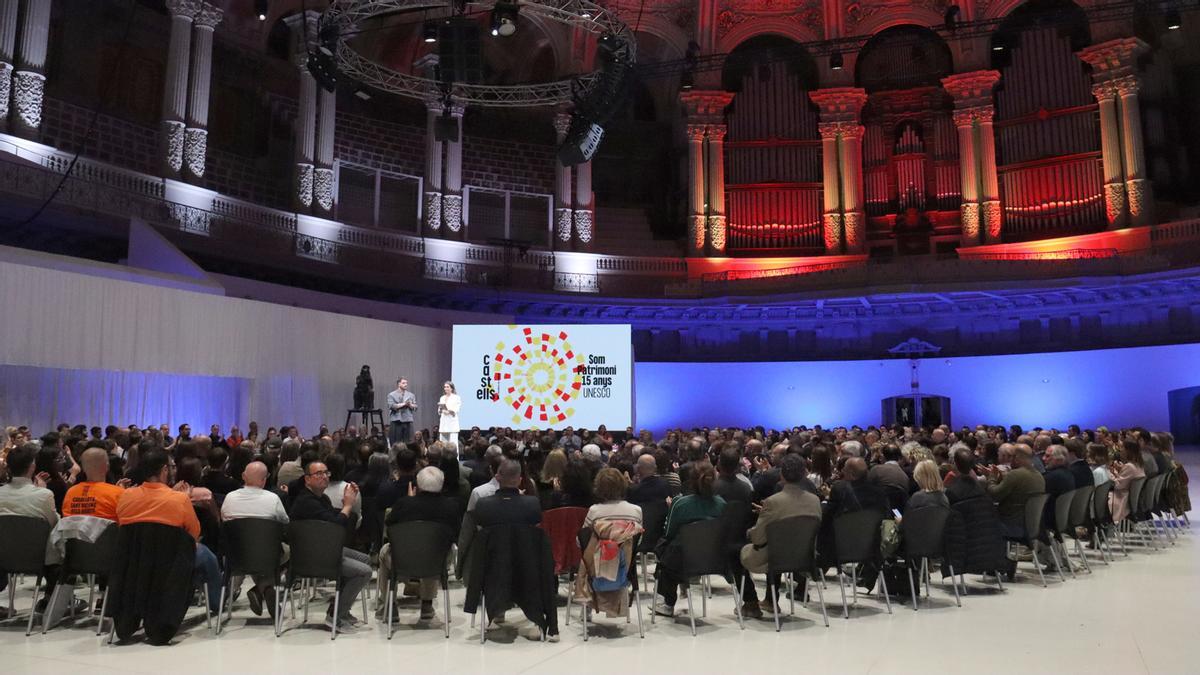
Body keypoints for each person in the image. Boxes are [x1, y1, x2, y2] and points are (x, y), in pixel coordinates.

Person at [115, 449, 222, 616]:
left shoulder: (125, 495)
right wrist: (184, 499)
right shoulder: (179, 499)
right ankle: (217, 603)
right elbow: (193, 534)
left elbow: (122, 524)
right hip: (169, 559)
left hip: (133, 559)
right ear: (164, 470)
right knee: (207, 556)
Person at [288, 460, 371, 632]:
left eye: (326, 473)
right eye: (318, 474)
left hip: (324, 549)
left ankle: (340, 608)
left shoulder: (321, 498)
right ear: (307, 479)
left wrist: (347, 500)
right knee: (364, 571)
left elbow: (334, 515)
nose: (324, 477)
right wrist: (348, 505)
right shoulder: (306, 502)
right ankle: (336, 617)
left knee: (365, 559)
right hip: (312, 557)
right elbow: (336, 526)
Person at [740, 454, 821, 619]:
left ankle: (754, 602)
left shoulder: (773, 502)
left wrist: (756, 524)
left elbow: (757, 537)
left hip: (775, 557)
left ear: (782, 475)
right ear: (805, 473)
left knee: (744, 549)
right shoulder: (815, 500)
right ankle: (769, 600)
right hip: (806, 557)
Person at [378, 466, 459, 621]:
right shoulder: (451, 507)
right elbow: (455, 534)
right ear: (441, 485)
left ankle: (389, 604)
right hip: (437, 562)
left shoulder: (404, 504)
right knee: (435, 548)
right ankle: (427, 604)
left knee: (384, 552)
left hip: (401, 560)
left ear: (418, 485)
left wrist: (409, 501)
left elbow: (389, 527)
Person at [654, 462, 726, 617]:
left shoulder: (680, 503)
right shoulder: (721, 504)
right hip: (715, 559)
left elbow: (669, 532)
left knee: (663, 548)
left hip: (683, 560)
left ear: (690, 482)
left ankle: (668, 602)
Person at [221, 461, 289, 620]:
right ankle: (261, 589)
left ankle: (262, 590)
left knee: (250, 551)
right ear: (264, 480)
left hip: (236, 558)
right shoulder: (273, 499)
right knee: (291, 551)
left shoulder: (229, 498)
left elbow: (224, 521)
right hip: (267, 556)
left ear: (244, 477)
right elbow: (285, 523)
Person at [574, 468, 642, 619]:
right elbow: (638, 541)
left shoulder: (595, 511)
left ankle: (587, 607)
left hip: (596, 569)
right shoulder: (636, 511)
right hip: (625, 567)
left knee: (589, 553)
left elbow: (581, 541)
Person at [984, 444, 1045, 538]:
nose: (1009, 459)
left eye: (1011, 457)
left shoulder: (1015, 474)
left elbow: (994, 495)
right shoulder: (1039, 475)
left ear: (1016, 458)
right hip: (1032, 525)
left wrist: (991, 477)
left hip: (1011, 525)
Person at [62, 447, 126, 520]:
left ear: (83, 468)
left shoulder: (70, 493)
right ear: (107, 466)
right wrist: (122, 493)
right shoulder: (118, 493)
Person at [1109, 439, 1146, 524]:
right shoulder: (1138, 464)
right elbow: (1125, 481)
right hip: (1127, 496)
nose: (1120, 450)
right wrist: (1119, 471)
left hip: (1122, 499)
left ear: (1128, 451)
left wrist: (1109, 473)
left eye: (1122, 447)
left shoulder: (1129, 466)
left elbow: (1117, 486)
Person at [386, 377, 418, 445]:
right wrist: (404, 404)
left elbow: (415, 407)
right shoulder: (391, 395)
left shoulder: (411, 395)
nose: (406, 384)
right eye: (403, 383)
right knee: (396, 442)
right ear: (398, 384)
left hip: (408, 420)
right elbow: (392, 406)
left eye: (406, 383)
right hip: (397, 421)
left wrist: (410, 405)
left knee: (408, 442)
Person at [437, 381, 462, 455]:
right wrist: (441, 409)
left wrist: (448, 410)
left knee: (453, 444)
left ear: (452, 388)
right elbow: (439, 411)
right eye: (445, 387)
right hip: (444, 422)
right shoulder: (442, 398)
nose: (446, 388)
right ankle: (443, 460)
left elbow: (456, 410)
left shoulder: (456, 397)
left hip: (452, 423)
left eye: (447, 387)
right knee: (443, 444)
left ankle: (455, 461)